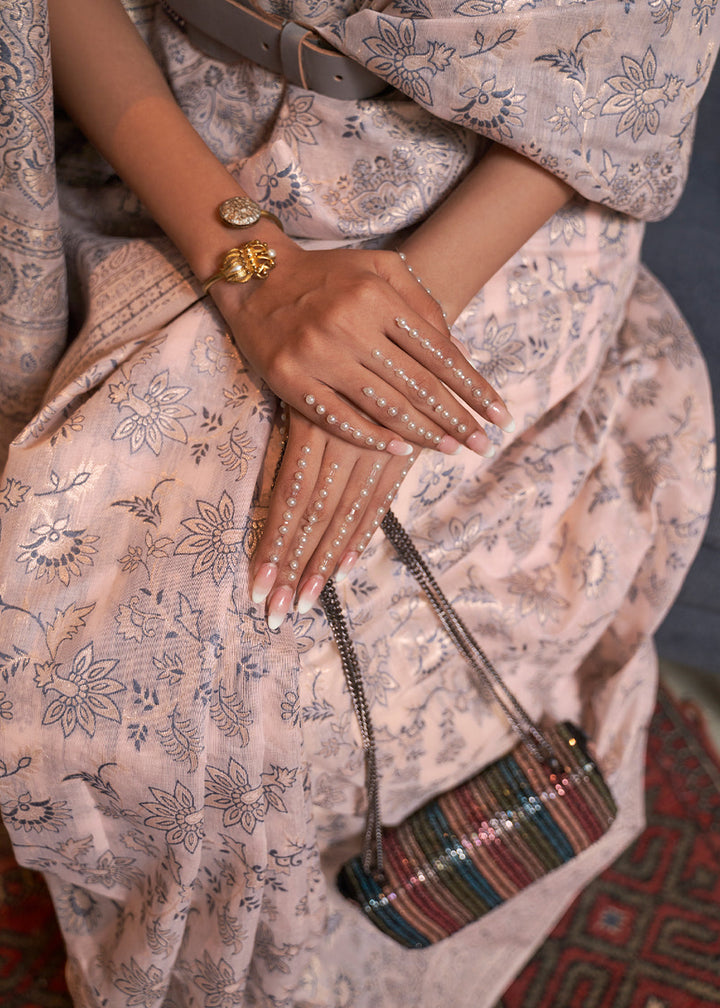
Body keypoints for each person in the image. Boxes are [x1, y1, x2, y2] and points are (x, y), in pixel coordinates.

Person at [0, 0, 716, 1004]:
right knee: (105, 629)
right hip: (169, 139)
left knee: (279, 632)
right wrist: (252, 272)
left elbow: (635, 55)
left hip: (487, 201)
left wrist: (394, 353)